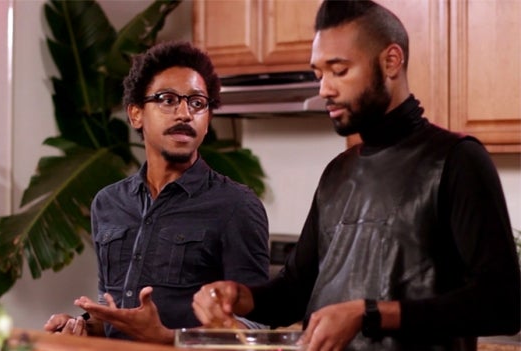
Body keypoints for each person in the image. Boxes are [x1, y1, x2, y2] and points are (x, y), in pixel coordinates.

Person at [191, 1, 521, 350]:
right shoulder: (337, 172)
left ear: (391, 61)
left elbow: (501, 305)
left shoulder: (457, 159)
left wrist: (369, 315)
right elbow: (293, 293)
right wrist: (240, 297)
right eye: (319, 74)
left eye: (339, 70)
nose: (324, 89)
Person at [43, 41, 270, 344]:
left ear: (207, 120)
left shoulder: (236, 206)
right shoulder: (108, 203)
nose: (184, 113)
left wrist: (168, 338)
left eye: (197, 103)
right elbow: (116, 311)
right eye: (167, 99)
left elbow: (259, 328)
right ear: (136, 114)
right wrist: (84, 324)